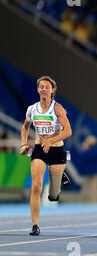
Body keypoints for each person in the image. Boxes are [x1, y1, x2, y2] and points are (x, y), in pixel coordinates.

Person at [20, 76, 72, 235]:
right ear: (38, 89)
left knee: (53, 195)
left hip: (56, 150)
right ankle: (35, 225)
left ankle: (60, 174)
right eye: (41, 86)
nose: (43, 89)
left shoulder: (57, 108)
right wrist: (23, 143)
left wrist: (51, 140)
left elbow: (68, 131)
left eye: (47, 87)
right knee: (36, 187)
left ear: (52, 90)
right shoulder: (32, 109)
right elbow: (25, 127)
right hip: (39, 150)